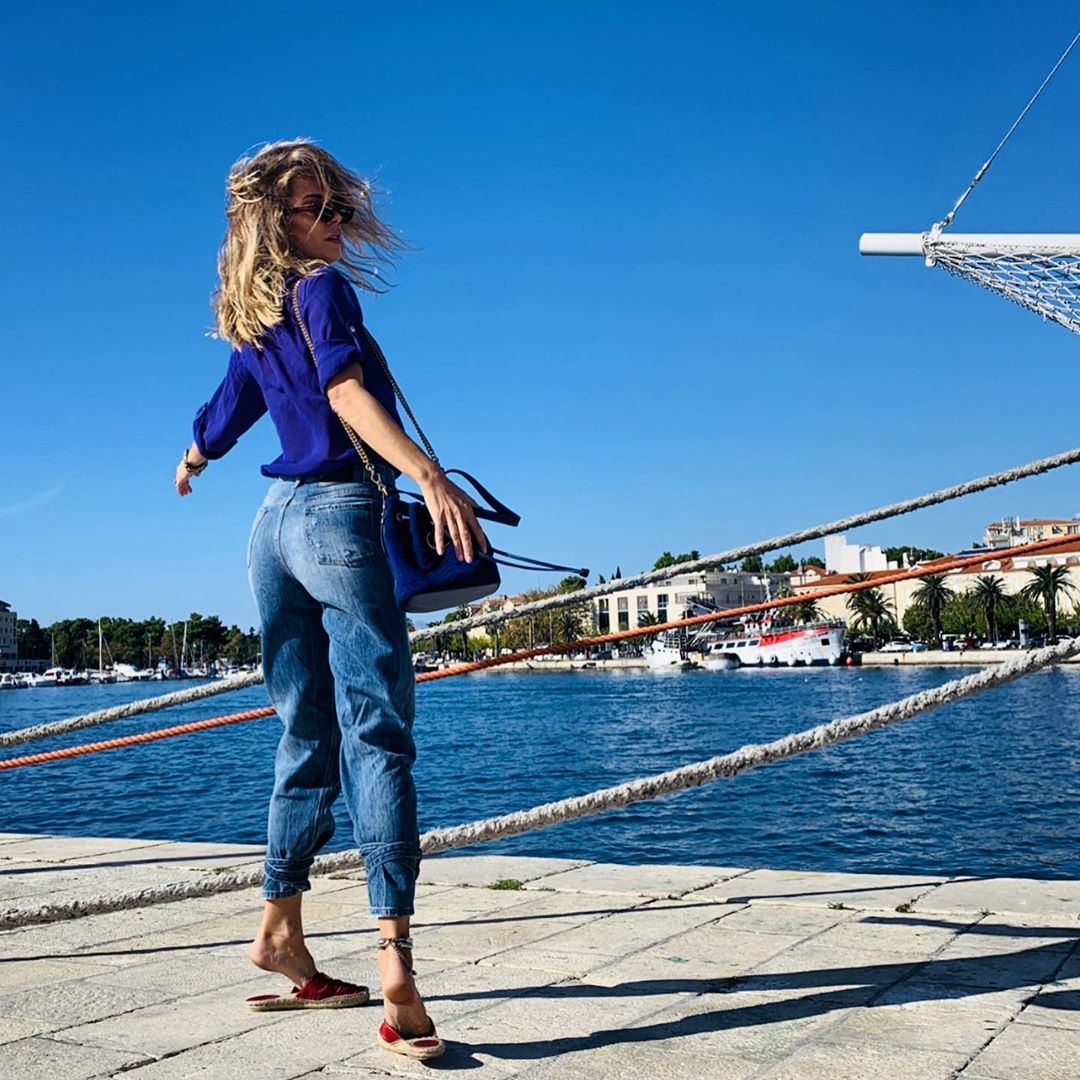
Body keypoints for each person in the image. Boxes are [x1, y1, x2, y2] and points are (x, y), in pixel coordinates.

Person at [175, 139, 486, 1061]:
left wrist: (194, 455)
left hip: (270, 531)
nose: (339, 222)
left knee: (305, 735)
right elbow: (345, 390)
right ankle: (398, 972)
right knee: (377, 735)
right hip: (340, 516)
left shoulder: (256, 310)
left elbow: (230, 406)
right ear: (278, 221)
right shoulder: (317, 288)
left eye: (340, 206)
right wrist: (427, 473)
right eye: (319, 208)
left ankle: (281, 932)